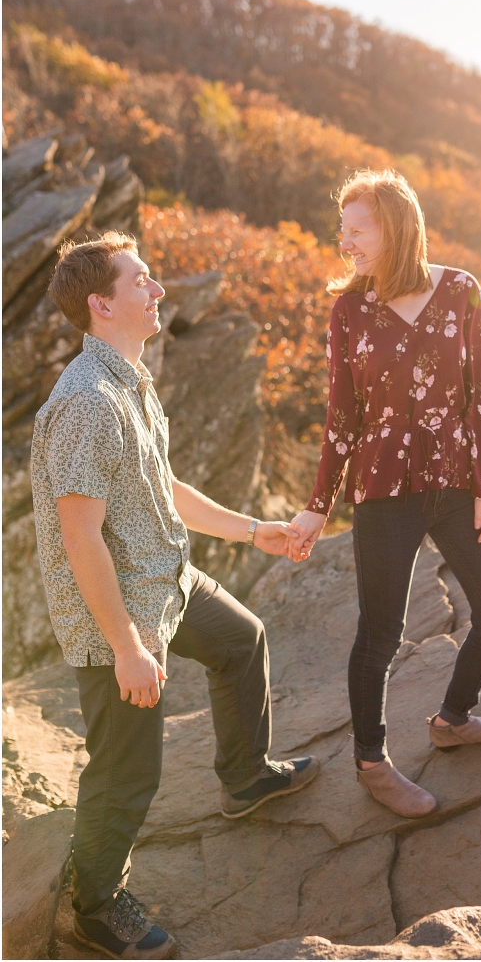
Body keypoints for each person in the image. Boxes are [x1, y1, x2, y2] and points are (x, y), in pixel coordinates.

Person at [31, 232, 319, 961]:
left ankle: (245, 778)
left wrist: (255, 529)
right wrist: (127, 647)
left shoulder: (131, 378)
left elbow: (165, 488)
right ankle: (93, 910)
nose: (158, 290)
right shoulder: (87, 402)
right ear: (102, 303)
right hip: (115, 612)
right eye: (143, 280)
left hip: (166, 579)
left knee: (240, 637)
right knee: (128, 774)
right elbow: (81, 538)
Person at [289, 170, 481, 819]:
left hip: (455, 486)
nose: (344, 241)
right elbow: (342, 417)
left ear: (394, 227)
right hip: (384, 492)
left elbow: (478, 397)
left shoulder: (462, 291)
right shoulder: (349, 311)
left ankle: (453, 719)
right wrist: (317, 505)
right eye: (343, 229)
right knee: (381, 634)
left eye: (355, 228)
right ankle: (372, 762)